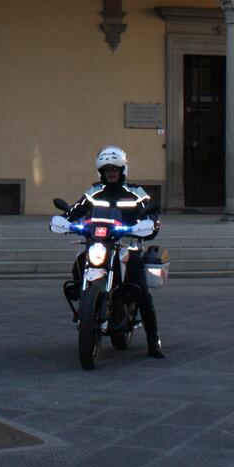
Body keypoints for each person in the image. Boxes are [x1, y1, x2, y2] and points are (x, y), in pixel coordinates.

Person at [62, 146, 164, 358]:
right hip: (98, 243)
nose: (111, 173)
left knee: (141, 291)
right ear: (101, 171)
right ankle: (85, 300)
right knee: (80, 264)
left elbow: (151, 217)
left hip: (126, 247)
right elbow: (76, 210)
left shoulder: (136, 193)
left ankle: (154, 341)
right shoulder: (93, 192)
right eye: (107, 169)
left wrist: (149, 225)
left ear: (122, 169)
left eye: (115, 169)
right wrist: (66, 220)